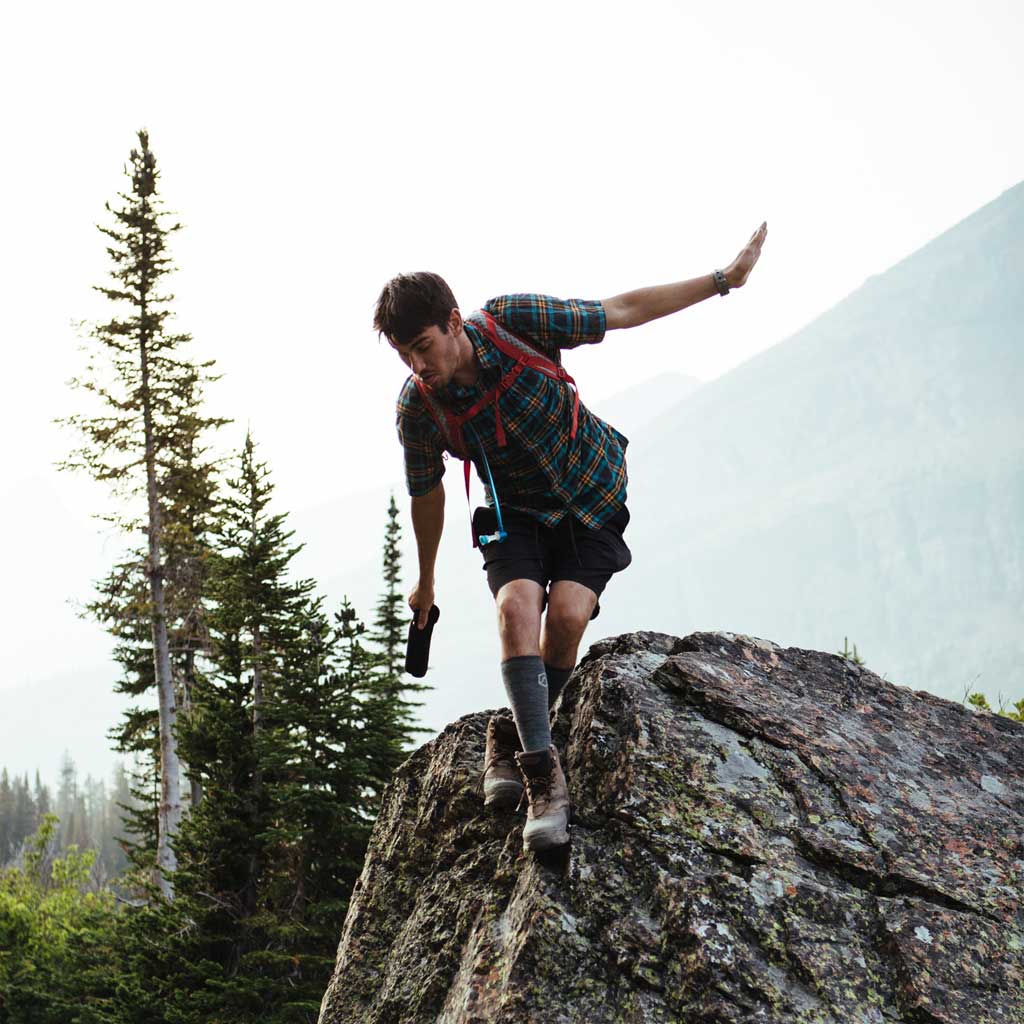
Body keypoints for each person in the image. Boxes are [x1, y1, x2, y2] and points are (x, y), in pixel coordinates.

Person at [374, 223, 768, 853]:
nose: (419, 365)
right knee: (516, 610)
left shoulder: (515, 319)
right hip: (516, 515)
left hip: (591, 494)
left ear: (454, 322)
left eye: (424, 346)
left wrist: (723, 281)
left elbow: (621, 310)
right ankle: (544, 776)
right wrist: (424, 580)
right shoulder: (418, 408)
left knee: (567, 619)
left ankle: (512, 730)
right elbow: (427, 493)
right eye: (404, 355)